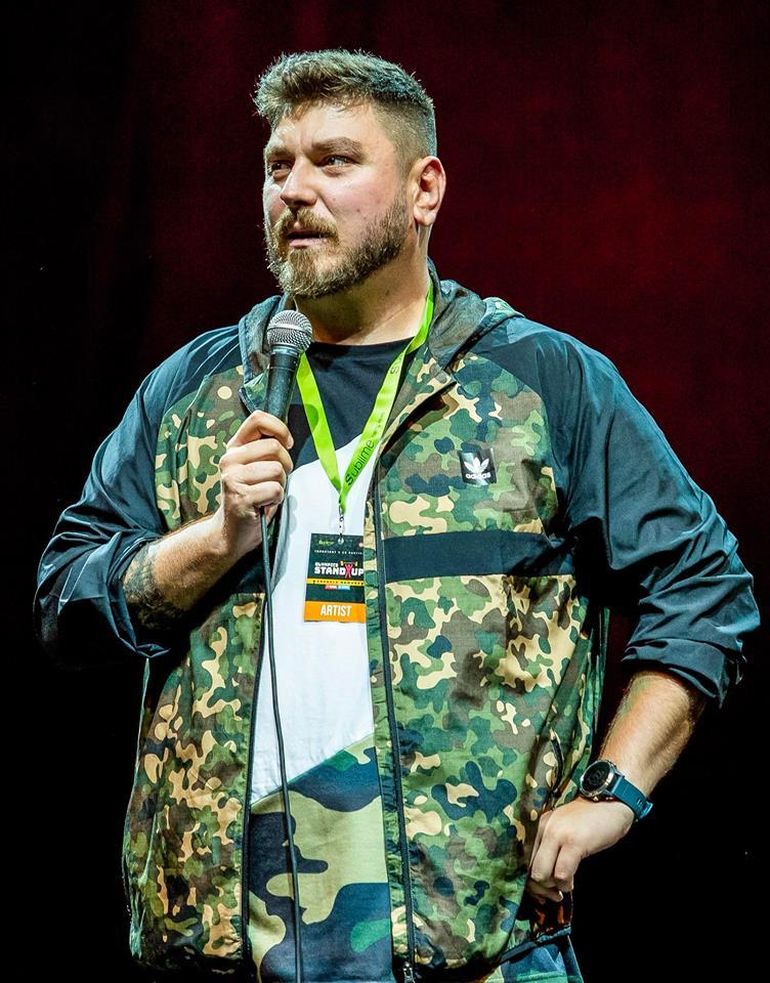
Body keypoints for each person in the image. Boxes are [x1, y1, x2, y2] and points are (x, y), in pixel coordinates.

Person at [34, 49, 758, 983]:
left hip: (482, 951)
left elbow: (704, 587)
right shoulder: (197, 391)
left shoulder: (540, 384)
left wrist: (615, 792)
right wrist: (213, 542)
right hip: (225, 954)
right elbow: (65, 601)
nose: (295, 188)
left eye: (334, 160)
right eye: (278, 164)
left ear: (425, 189)